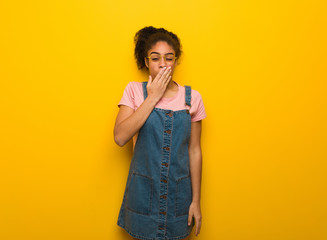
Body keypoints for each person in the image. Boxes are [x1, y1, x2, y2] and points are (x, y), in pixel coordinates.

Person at [114, 26, 206, 240]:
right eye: (155, 58)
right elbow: (120, 137)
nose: (163, 64)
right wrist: (152, 97)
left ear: (175, 61)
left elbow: (194, 151)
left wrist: (196, 201)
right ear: (146, 62)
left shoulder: (192, 98)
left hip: (178, 196)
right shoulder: (134, 91)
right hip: (142, 194)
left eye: (169, 58)